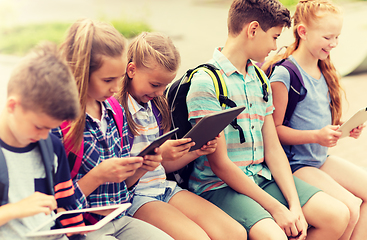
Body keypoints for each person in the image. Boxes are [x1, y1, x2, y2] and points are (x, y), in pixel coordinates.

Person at [185, 0, 351, 239]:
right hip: (220, 187)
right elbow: (219, 165)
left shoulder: (259, 79)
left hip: (261, 177)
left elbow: (273, 149)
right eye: (274, 37)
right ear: (253, 30)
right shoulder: (207, 81)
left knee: (337, 216)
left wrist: (294, 206)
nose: (275, 46)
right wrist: (277, 208)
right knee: (276, 236)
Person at [117, 32, 247, 240]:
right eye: (154, 84)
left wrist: (195, 151)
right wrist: (157, 155)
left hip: (164, 187)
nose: (160, 93)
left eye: (164, 86)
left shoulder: (156, 107)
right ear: (131, 70)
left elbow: (164, 168)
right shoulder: (118, 111)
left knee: (235, 233)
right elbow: (120, 179)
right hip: (137, 196)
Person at [52, 19, 173, 240]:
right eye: (108, 79)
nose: (116, 87)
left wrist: (141, 168)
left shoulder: (115, 110)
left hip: (119, 218)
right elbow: (51, 205)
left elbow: (122, 188)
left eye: (118, 78)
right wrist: (97, 177)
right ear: (80, 72)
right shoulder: (57, 123)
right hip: (80, 226)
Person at [263, 0, 367, 239]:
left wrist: (343, 128)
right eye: (328, 37)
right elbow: (273, 130)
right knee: (349, 208)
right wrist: (317, 136)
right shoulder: (285, 74)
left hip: (319, 158)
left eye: (337, 37)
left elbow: (314, 118)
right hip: (297, 165)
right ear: (303, 32)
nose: (334, 44)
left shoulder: (323, 69)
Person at [0, 42, 84, 239]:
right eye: (39, 126)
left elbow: (64, 206)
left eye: (50, 128)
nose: (45, 135)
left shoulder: (51, 146)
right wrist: (15, 209)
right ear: (13, 106)